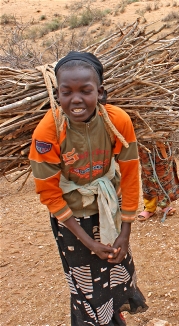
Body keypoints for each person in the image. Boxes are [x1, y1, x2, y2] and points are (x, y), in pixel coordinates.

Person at [29, 51, 148, 325]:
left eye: (85, 90)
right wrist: (88, 241)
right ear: (57, 94)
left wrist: (125, 231)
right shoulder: (48, 132)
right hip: (72, 220)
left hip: (109, 211)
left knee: (119, 268)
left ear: (100, 92)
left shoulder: (117, 122)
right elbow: (48, 192)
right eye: (67, 92)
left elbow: (130, 174)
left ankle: (113, 314)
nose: (76, 99)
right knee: (85, 284)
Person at [136, 98, 179, 222]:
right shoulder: (140, 109)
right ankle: (149, 208)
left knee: (165, 176)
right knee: (148, 176)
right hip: (145, 148)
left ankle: (165, 205)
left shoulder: (168, 109)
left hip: (163, 148)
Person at [136, 140, 179, 222]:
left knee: (164, 173)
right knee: (148, 173)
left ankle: (165, 204)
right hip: (144, 141)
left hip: (162, 140)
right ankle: (149, 208)